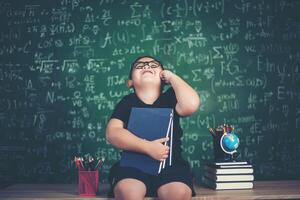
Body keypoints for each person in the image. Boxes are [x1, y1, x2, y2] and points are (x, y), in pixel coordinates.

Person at [106, 55, 200, 200]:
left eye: (153, 65)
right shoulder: (127, 102)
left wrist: (173, 78)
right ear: (130, 82)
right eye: (139, 66)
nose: (146, 66)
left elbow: (191, 105)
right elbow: (113, 133)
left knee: (178, 193)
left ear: (163, 77)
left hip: (171, 167)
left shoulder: (171, 98)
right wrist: (147, 147)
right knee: (127, 192)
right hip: (133, 167)